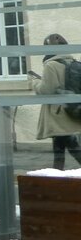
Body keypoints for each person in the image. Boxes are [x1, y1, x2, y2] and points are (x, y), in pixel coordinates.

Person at [31, 33, 81, 169]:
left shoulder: (51, 65)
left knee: (72, 146)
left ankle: (56, 173)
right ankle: (56, 173)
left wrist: (35, 82)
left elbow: (46, 90)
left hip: (58, 114)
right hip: (70, 111)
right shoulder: (74, 63)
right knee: (59, 148)